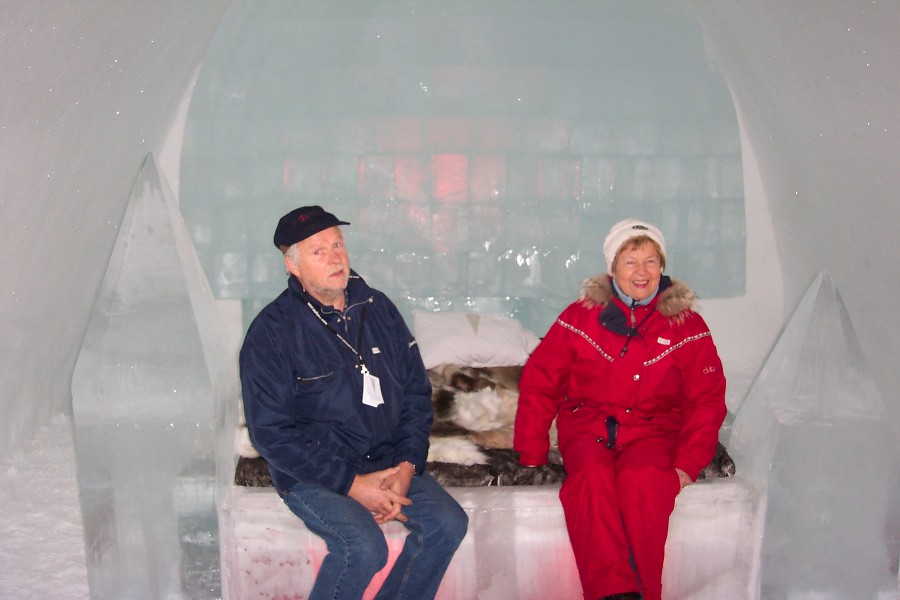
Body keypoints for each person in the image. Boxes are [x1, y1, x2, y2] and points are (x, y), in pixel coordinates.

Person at [239, 205, 468, 600]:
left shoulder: (378, 309)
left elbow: (415, 391)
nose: (335, 257)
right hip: (315, 474)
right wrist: (351, 485)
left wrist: (408, 465)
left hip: (385, 460)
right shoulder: (272, 332)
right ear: (292, 266)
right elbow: (271, 435)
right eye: (318, 251)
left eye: (338, 245)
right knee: (362, 547)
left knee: (447, 523)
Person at [513, 218, 727, 600]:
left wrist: (687, 464)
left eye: (650, 261)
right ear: (612, 268)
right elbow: (541, 381)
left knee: (644, 481)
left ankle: (644, 592)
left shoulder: (687, 325)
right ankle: (614, 593)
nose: (641, 272)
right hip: (588, 425)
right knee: (590, 480)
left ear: (662, 266)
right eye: (630, 262)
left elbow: (706, 400)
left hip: (653, 430)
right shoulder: (580, 316)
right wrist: (532, 452)